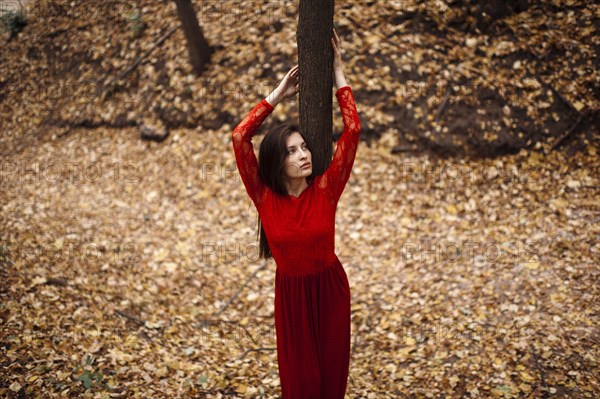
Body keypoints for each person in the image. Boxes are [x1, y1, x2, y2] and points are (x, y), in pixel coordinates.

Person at [231, 28, 361, 398]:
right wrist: (277, 95)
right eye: (291, 151)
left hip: (331, 290)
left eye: (304, 147)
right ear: (277, 160)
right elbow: (240, 137)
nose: (303, 155)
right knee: (302, 383)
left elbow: (352, 129)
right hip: (292, 299)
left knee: (331, 381)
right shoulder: (264, 195)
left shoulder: (326, 188)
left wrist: (338, 72)